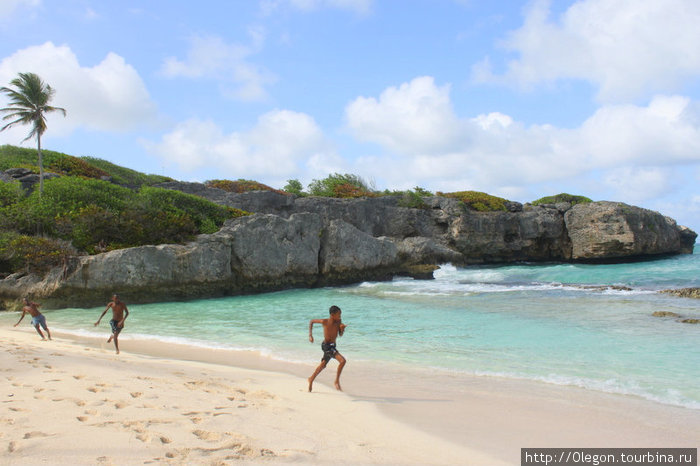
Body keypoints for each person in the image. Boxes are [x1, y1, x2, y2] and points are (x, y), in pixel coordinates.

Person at [308, 305, 347, 392]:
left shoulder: (339, 321)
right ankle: (336, 381)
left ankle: (311, 379)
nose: (340, 317)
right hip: (326, 346)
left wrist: (342, 329)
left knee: (323, 365)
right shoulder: (324, 321)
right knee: (342, 361)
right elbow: (311, 321)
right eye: (339, 314)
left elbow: (340, 334)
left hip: (333, 346)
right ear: (332, 315)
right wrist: (310, 335)